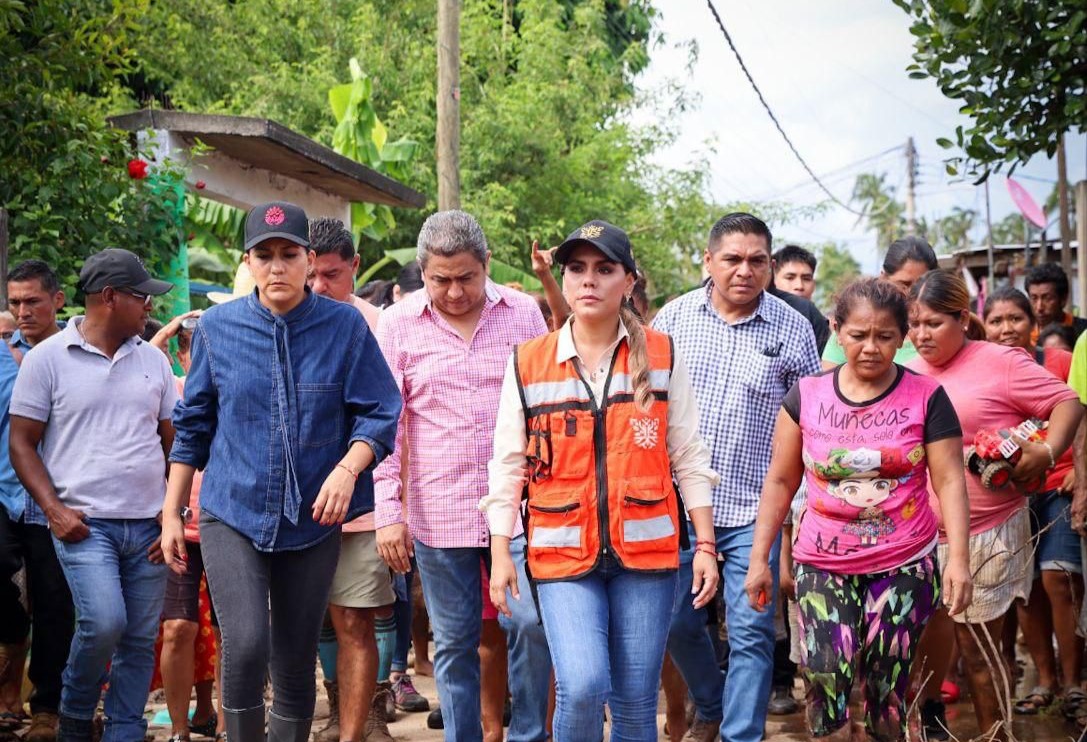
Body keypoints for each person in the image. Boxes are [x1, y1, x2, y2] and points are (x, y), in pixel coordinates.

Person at [163, 202, 402, 742]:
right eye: (264, 256)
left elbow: (381, 409)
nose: (277, 267)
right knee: (246, 642)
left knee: (295, 657)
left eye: (288, 255)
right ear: (247, 262)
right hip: (232, 509)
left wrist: (347, 469)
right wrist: (171, 512)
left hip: (313, 516)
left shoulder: (343, 328)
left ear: (307, 259)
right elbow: (194, 423)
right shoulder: (218, 328)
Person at [483, 220, 719, 740]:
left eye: (604, 269)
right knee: (584, 685)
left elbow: (687, 454)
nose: (589, 280)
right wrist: (501, 551)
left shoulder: (661, 355)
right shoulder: (528, 362)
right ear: (563, 281)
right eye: (577, 269)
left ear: (628, 281)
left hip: (648, 556)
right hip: (561, 554)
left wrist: (704, 545)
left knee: (636, 703)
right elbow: (507, 464)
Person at [744, 277, 973, 740]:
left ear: (903, 336)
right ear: (836, 330)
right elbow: (781, 480)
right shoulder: (805, 396)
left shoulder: (927, 397)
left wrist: (960, 562)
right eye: (858, 335)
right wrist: (759, 559)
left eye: (885, 336)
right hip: (822, 561)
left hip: (904, 560)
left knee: (887, 683)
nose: (871, 347)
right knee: (826, 674)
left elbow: (949, 479)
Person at [374, 210, 552, 742]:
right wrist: (389, 511)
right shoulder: (399, 324)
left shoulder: (523, 314)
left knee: (530, 625)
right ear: (422, 271)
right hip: (438, 511)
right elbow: (388, 423)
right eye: (439, 279)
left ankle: (527, 735)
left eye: (466, 278)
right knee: (453, 642)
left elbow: (546, 408)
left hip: (521, 509)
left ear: (487, 264)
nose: (453, 292)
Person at [653, 212, 821, 742]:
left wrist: (797, 515)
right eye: (732, 259)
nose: (744, 271)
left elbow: (811, 422)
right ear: (708, 261)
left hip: (756, 507)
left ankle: (740, 735)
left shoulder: (793, 328)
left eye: (757, 261)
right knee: (675, 623)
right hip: (677, 505)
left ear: (770, 266)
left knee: (750, 631)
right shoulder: (673, 321)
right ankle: (711, 701)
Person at [907, 270, 1084, 741]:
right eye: (914, 324)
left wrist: (1045, 453)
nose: (921, 335)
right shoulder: (906, 369)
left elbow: (1067, 402)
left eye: (933, 324)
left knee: (981, 651)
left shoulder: (999, 361)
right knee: (924, 651)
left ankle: (997, 736)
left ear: (963, 319)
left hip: (989, 530)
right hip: (921, 535)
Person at [9, 249, 178, 742]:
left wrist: (173, 513)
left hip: (148, 525)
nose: (149, 306)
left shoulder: (153, 360)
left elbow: (174, 445)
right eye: (141, 296)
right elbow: (22, 443)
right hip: (85, 526)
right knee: (104, 623)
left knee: (140, 639)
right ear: (110, 297)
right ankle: (77, 719)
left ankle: (125, 730)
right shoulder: (47, 360)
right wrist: (53, 510)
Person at [306, 216, 396, 742]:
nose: (320, 286)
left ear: (355, 268)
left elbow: (393, 416)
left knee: (359, 616)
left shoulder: (382, 327)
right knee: (319, 621)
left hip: (366, 502)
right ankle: (339, 706)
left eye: (332, 275)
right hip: (301, 507)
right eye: (312, 275)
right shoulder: (288, 320)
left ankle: (363, 720)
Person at [981, 286, 1087, 718]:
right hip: (1009, 494)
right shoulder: (983, 371)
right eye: (997, 321)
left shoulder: (1059, 362)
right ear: (984, 329)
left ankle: (1073, 682)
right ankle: (1044, 680)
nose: (1006, 328)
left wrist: (1081, 472)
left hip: (1059, 484)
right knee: (1025, 593)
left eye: (1015, 319)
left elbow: (1080, 411)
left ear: (1034, 325)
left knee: (1059, 577)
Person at [0, 260, 73, 742]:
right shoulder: (2, 356)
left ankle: (47, 709)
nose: (23, 311)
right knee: (5, 600)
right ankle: (7, 698)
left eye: (32, 301)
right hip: (5, 496)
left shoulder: (79, 350)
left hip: (61, 500)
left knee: (55, 607)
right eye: (14, 303)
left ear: (58, 300)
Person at [147, 312, 226, 742]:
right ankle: (180, 730)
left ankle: (234, 725)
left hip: (229, 526)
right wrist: (170, 328)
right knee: (178, 627)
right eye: (193, 350)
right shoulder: (173, 390)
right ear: (180, 355)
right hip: (180, 531)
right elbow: (146, 356)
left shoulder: (233, 390)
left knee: (234, 631)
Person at [821, 236, 939, 369]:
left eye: (920, 285)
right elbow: (830, 383)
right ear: (884, 277)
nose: (913, 294)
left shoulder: (940, 332)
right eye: (904, 285)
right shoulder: (853, 324)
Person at [1024, 262, 1087, 346]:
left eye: (1047, 298)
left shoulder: (1083, 332)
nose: (1039, 307)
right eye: (1034, 298)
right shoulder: (1025, 336)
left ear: (1063, 299)